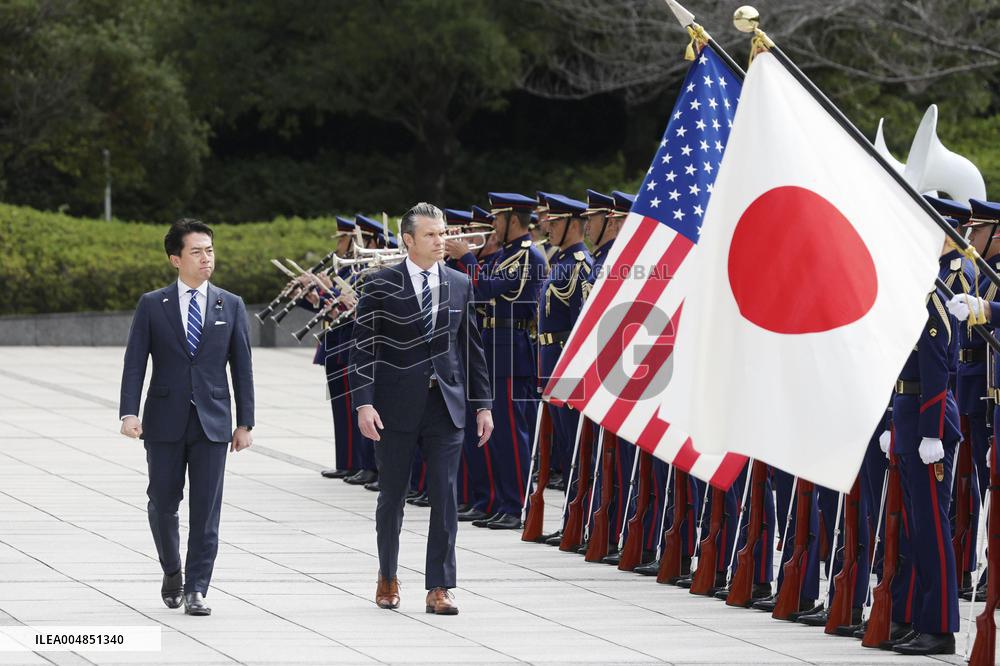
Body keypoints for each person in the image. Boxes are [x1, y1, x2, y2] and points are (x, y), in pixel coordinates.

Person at [349, 202, 492, 614]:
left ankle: (440, 587)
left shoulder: (459, 283)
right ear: (408, 240)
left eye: (443, 233)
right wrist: (363, 403)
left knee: (445, 495)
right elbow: (363, 350)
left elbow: (472, 349)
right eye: (431, 235)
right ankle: (388, 577)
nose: (440, 241)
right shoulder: (379, 285)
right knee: (392, 496)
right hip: (394, 408)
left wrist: (482, 405)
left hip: (445, 407)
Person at [119, 218, 255, 616]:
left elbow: (242, 367)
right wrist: (129, 412)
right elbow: (134, 363)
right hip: (163, 419)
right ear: (175, 259)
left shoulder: (230, 304)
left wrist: (244, 422)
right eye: (196, 251)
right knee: (162, 501)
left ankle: (197, 588)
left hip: (213, 422)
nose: (206, 257)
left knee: (207, 510)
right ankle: (172, 569)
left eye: (209, 250)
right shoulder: (152, 304)